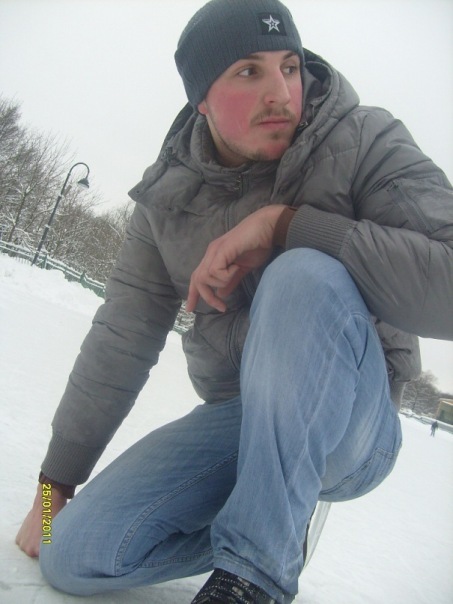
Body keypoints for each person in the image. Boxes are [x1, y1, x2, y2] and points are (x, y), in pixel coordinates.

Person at [16, 0, 453, 602]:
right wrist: (52, 490)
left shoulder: (363, 140)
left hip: (354, 421)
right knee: (72, 553)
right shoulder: (167, 202)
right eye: (249, 71)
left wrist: (288, 225)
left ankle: (252, 577)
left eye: (290, 67)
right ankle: (271, 522)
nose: (281, 92)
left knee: (301, 273)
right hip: (242, 418)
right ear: (201, 98)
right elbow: (120, 339)